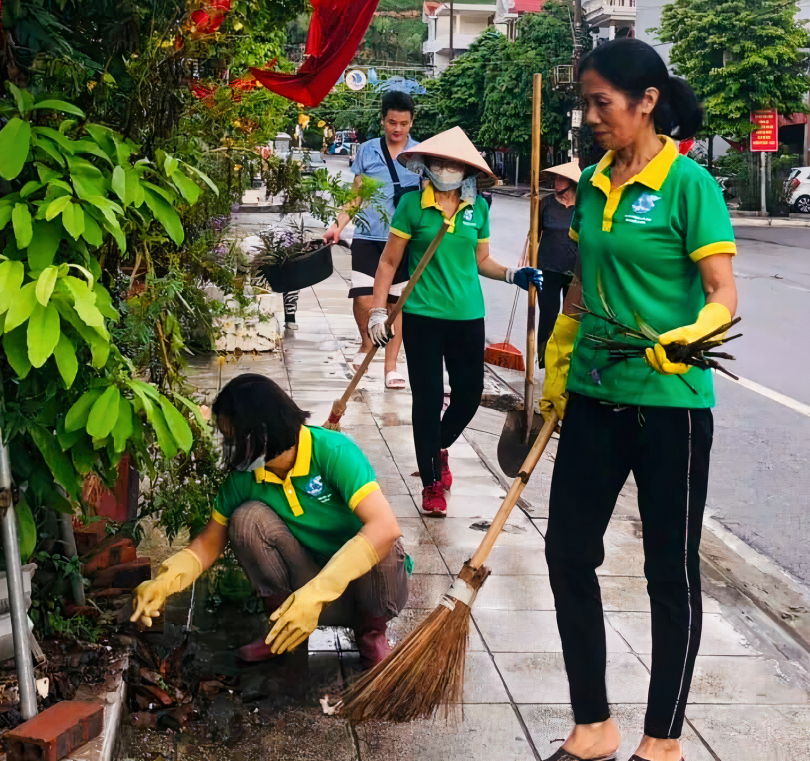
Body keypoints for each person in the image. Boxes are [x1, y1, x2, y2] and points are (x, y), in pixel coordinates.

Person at [540, 39, 738, 761]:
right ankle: (592, 726)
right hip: (594, 395)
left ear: (645, 100)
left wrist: (691, 333)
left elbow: (723, 295)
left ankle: (662, 740)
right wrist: (556, 361)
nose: (589, 115)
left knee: (668, 571)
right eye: (583, 102)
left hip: (671, 403)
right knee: (565, 552)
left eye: (602, 101)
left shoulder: (690, 185)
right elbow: (581, 286)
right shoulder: (592, 181)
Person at [130, 374, 410, 668]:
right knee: (247, 519)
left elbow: (385, 527)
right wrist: (163, 582)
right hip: (305, 588)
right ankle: (282, 629)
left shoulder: (333, 451)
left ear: (262, 434)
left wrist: (316, 595)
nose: (227, 446)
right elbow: (209, 542)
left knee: (383, 542)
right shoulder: (245, 478)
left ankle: (371, 635)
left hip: (366, 591)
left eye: (232, 436)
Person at [367, 127, 542, 516]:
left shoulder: (477, 208)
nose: (446, 169)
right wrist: (379, 310)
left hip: (468, 316)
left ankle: (436, 446)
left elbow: (481, 261)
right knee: (426, 400)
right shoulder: (412, 205)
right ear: (427, 166)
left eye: (454, 164)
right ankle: (431, 483)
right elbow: (389, 262)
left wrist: (514, 275)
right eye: (440, 162)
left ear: (467, 170)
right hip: (422, 317)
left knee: (468, 394)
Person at [323, 91, 420, 390]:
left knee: (395, 303)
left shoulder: (421, 153)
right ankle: (367, 342)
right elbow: (357, 194)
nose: (397, 129)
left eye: (403, 123)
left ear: (411, 123)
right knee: (364, 297)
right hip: (367, 234)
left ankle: (391, 366)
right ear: (382, 120)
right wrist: (337, 226)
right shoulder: (367, 150)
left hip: (403, 240)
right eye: (392, 122)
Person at [536, 162, 581, 367]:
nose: (556, 182)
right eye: (555, 178)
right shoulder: (545, 204)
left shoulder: (582, 207)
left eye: (561, 178)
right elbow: (534, 235)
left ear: (571, 183)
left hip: (575, 271)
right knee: (547, 314)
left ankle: (568, 359)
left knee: (570, 318)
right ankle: (545, 359)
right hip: (548, 268)